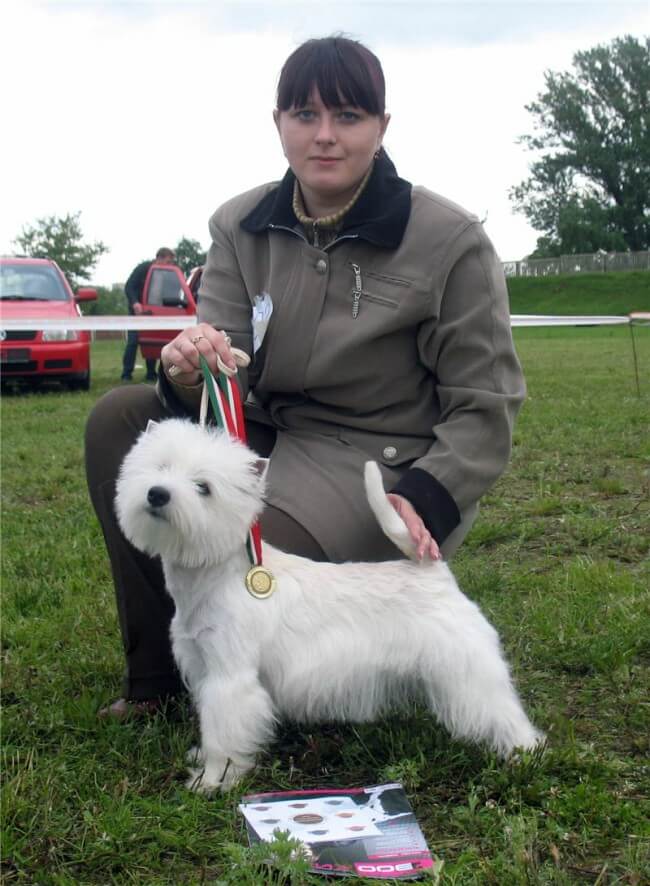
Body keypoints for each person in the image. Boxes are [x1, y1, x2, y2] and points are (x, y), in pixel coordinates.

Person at [86, 36, 525, 719]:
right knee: (118, 415)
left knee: (246, 558)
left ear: (383, 127)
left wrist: (428, 494)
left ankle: (247, 677)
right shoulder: (238, 224)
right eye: (304, 114)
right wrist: (187, 370)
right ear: (278, 123)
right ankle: (159, 679)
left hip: (375, 462)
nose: (324, 136)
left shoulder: (449, 238)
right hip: (264, 435)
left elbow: (485, 402)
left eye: (348, 117)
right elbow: (225, 366)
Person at [120, 247, 176, 382]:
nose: (170, 265)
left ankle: (151, 373)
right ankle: (126, 374)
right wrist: (135, 303)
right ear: (159, 258)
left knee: (152, 341)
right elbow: (129, 286)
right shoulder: (143, 269)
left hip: (155, 314)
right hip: (137, 313)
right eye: (168, 262)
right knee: (133, 342)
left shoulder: (167, 275)